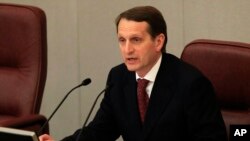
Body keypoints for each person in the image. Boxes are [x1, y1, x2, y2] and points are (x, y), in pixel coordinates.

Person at [39, 6, 228, 141]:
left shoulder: (191, 84)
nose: (127, 49)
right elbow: (100, 130)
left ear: (158, 42)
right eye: (122, 40)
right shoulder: (118, 77)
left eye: (136, 40)